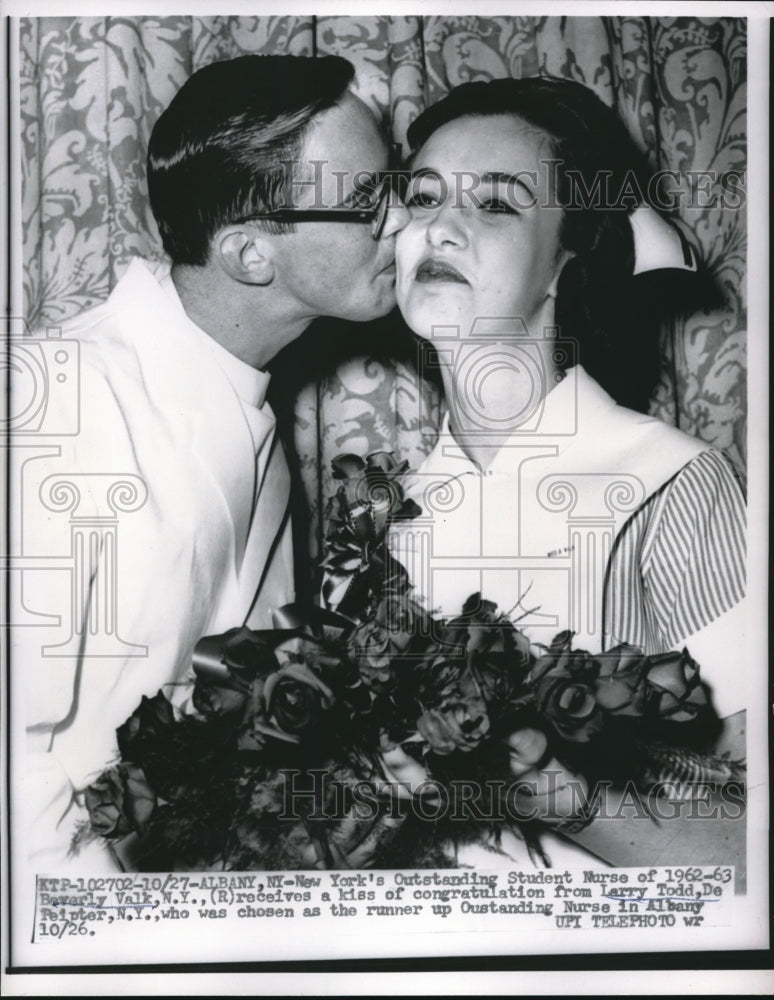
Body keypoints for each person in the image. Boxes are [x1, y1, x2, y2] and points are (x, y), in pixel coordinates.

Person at [12, 54, 407, 870]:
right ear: (249, 255)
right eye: (370, 199)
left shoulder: (246, 407)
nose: (404, 218)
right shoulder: (53, 399)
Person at [386, 77, 747, 864]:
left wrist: (559, 793)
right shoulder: (381, 522)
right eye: (422, 197)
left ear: (563, 260)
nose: (440, 229)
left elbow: (760, 844)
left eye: (496, 204)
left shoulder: (668, 480)